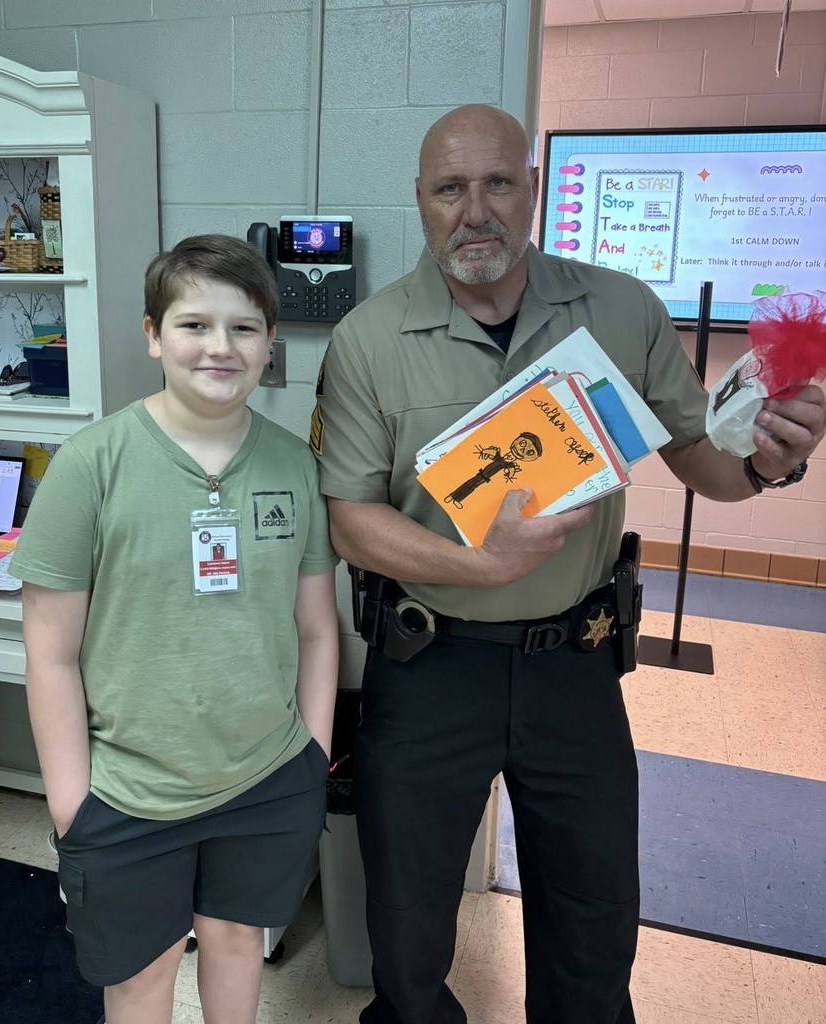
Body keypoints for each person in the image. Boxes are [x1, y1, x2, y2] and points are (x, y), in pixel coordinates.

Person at [310, 105, 825, 1024]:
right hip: (429, 669)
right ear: (421, 204)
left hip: (574, 670)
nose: (476, 211)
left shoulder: (620, 307)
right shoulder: (367, 340)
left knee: (592, 924)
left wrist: (764, 461)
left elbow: (703, 459)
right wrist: (479, 566)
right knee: (408, 925)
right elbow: (350, 522)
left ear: (535, 190)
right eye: (449, 189)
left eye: (499, 182)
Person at [9, 234, 339, 1024]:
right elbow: (48, 655)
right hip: (127, 791)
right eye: (193, 325)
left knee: (235, 947)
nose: (219, 347)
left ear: (269, 347)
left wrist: (313, 757)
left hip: (264, 779)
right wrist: (69, 802)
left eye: (245, 328)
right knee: (142, 979)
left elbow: (318, 630)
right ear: (153, 335)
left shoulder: (296, 468)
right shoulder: (91, 464)